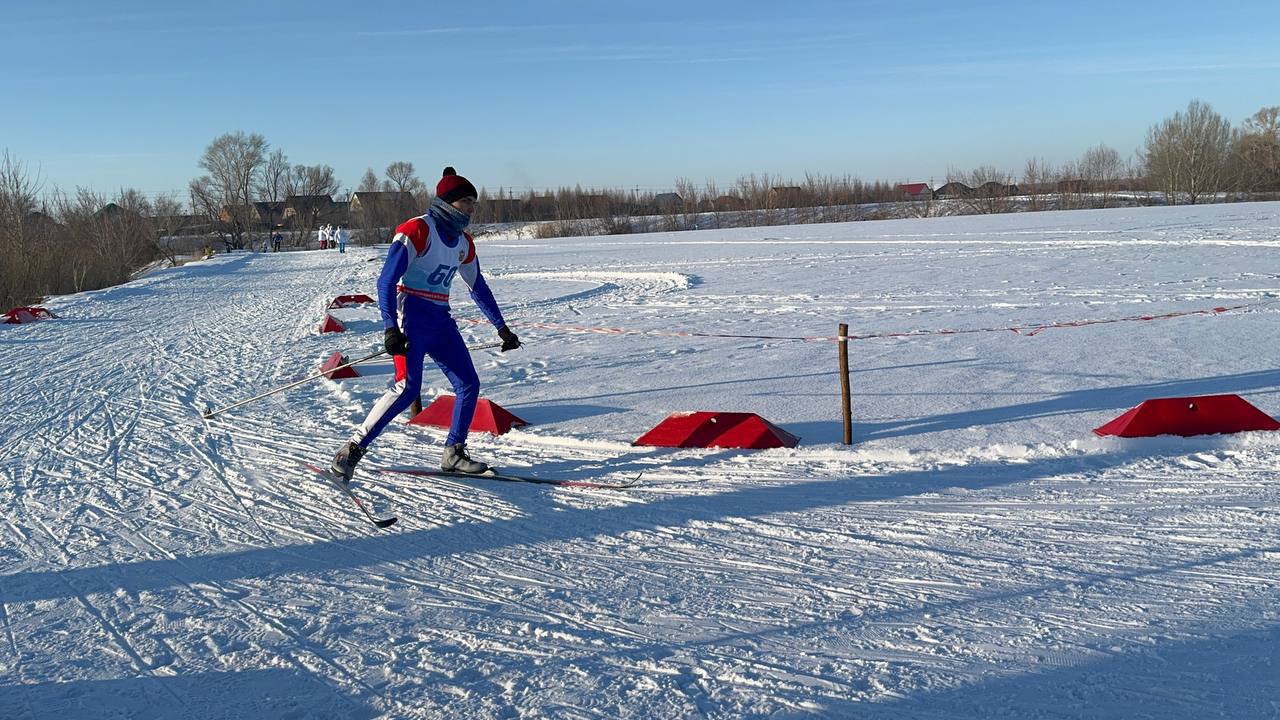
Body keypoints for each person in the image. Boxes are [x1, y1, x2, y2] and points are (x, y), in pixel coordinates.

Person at [331, 167, 520, 484]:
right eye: (467, 202)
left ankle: (454, 453)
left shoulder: (463, 243)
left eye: (474, 203)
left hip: (440, 319)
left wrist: (502, 328)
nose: (472, 209)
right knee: (407, 388)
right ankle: (350, 450)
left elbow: (478, 288)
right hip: (412, 316)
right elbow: (386, 280)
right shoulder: (418, 230)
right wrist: (391, 327)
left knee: (468, 384)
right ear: (448, 202)